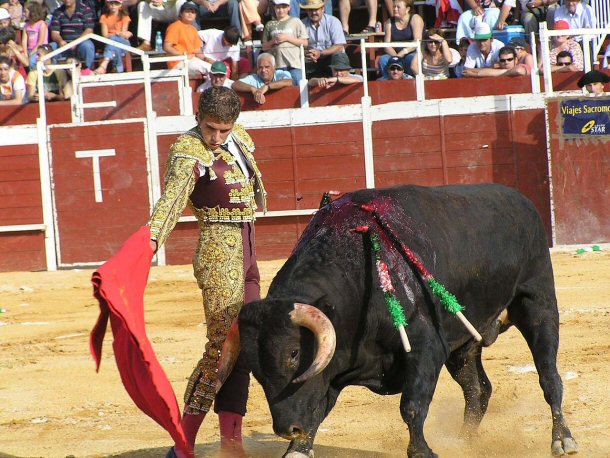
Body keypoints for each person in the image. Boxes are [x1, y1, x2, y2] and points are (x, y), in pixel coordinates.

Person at [148, 87, 267, 458]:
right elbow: (171, 201)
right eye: (210, 128)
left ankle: (232, 442)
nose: (216, 138)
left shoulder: (240, 139)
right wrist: (150, 242)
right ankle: (182, 445)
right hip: (218, 251)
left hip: (247, 248)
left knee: (243, 345)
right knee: (221, 348)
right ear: (198, 118)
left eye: (223, 130)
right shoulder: (189, 151)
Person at [262, 0, 308, 85]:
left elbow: (305, 42)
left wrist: (287, 38)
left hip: (294, 65)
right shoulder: (269, 24)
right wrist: (273, 41)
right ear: (274, 8)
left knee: (298, 90)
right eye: (278, 7)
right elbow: (264, 47)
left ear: (289, 8)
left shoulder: (296, 21)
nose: (281, 10)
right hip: (277, 66)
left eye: (284, 7)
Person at [378, 0, 424, 79]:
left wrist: (403, 53)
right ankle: (388, 83)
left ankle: (411, 82)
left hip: (412, 52)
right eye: (394, 7)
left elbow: (417, 41)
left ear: (407, 9)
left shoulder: (415, 18)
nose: (395, 9)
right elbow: (387, 45)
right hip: (395, 54)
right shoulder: (389, 22)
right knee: (383, 60)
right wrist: (396, 58)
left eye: (398, 7)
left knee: (412, 59)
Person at [301, 0, 346, 79]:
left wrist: (321, 53)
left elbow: (339, 46)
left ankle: (340, 82)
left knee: (339, 56)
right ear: (307, 11)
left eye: (316, 9)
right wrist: (307, 53)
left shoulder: (333, 22)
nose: (314, 12)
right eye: (311, 10)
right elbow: (299, 46)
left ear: (323, 9)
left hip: (331, 57)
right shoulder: (302, 24)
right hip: (312, 59)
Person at [164, 1, 209, 77]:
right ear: (181, 13)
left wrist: (206, 59)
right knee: (208, 69)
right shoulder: (174, 27)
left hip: (191, 61)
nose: (190, 14)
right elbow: (167, 47)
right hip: (178, 62)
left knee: (213, 68)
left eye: (193, 12)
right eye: (187, 11)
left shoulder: (193, 29)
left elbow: (197, 50)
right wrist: (183, 55)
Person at [49, 0, 95, 70]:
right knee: (52, 46)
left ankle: (87, 72)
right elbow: (54, 32)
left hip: (81, 43)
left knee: (87, 46)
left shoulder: (85, 9)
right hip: (64, 45)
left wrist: (76, 42)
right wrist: (60, 41)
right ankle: (55, 74)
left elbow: (89, 30)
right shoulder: (57, 12)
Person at [93, 0, 132, 74]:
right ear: (107, 4)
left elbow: (123, 35)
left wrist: (116, 35)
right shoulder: (104, 17)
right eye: (111, 3)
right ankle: (119, 68)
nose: (113, 5)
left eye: (116, 3)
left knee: (113, 39)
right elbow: (105, 35)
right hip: (110, 43)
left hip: (123, 43)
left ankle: (104, 66)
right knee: (114, 43)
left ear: (120, 5)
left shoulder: (125, 16)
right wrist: (117, 34)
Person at [463, 45, 530, 77]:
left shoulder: (522, 66)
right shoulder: (497, 69)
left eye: (509, 59)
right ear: (499, 61)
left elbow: (519, 71)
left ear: (515, 60)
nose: (506, 62)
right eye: (503, 60)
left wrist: (499, 73)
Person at [21, 1, 48, 69]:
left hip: (40, 49)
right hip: (29, 49)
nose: (23, 14)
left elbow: (40, 42)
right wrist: (25, 53)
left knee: (32, 61)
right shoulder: (26, 25)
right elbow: (24, 41)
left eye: (25, 11)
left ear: (32, 12)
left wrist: (32, 53)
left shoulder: (41, 24)